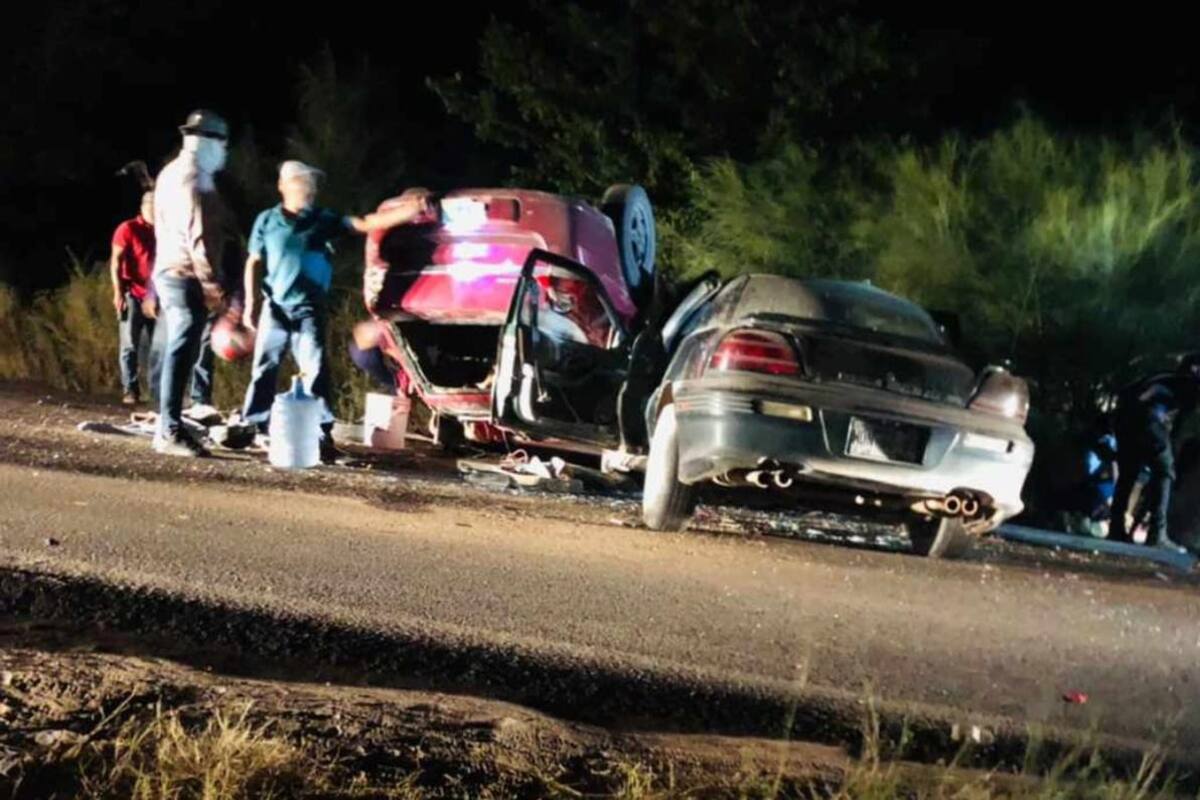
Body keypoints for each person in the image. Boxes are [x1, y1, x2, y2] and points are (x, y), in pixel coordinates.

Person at [240, 161, 429, 462]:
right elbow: (253, 262)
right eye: (305, 184)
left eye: (312, 186)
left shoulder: (321, 219)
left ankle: (320, 432)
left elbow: (364, 223)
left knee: (314, 368)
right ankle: (252, 424)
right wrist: (251, 304)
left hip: (308, 308)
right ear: (285, 186)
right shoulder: (266, 221)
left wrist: (406, 212)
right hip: (275, 307)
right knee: (265, 365)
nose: (310, 191)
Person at [151, 109, 231, 457]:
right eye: (223, 145)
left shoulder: (169, 172)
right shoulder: (196, 179)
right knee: (182, 348)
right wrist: (214, 287)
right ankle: (168, 429)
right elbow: (200, 239)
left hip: (167, 270)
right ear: (211, 144)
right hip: (185, 275)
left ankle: (170, 423)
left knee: (177, 348)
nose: (225, 153)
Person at [1108, 353, 1200, 552]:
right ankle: (1157, 534)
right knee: (1165, 471)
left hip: (1124, 418)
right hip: (1146, 419)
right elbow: (1177, 429)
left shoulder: (1163, 377)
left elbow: (1127, 394)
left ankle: (1116, 529)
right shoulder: (1190, 385)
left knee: (1128, 474)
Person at [109, 190, 157, 405]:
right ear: (144, 207)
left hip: (157, 296)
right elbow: (116, 262)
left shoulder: (164, 230)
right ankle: (131, 388)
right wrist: (118, 292)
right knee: (130, 344)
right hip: (133, 293)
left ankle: (157, 389)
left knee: (158, 345)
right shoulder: (128, 229)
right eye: (153, 207)